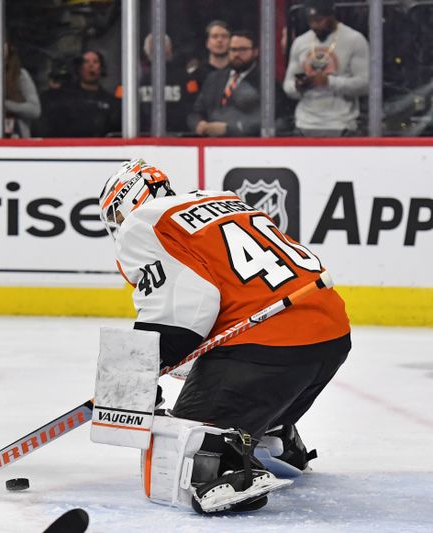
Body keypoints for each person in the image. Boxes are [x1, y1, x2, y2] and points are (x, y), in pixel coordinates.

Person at [98, 159, 351, 514]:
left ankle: (230, 466)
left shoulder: (145, 222)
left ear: (129, 201)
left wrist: (135, 374)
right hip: (330, 337)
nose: (119, 228)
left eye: (117, 218)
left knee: (180, 455)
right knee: (237, 382)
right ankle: (274, 435)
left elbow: (185, 312)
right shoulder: (225, 200)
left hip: (268, 346)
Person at [283, 0, 369, 136]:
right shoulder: (300, 42)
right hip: (304, 124)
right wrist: (299, 86)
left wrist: (329, 82)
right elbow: (287, 86)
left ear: (331, 16)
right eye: (310, 20)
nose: (314, 25)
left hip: (341, 124)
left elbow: (365, 84)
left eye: (319, 20)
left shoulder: (354, 40)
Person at [187, 30, 261, 137]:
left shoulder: (266, 82)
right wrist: (198, 124)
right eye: (233, 50)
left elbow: (271, 121)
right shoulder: (214, 78)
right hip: (210, 145)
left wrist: (229, 129)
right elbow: (196, 112)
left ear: (255, 51)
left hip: (245, 147)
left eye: (243, 49)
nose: (237, 54)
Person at [139, 32, 193, 134]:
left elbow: (191, 105)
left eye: (162, 46)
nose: (158, 50)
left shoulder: (183, 77)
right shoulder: (135, 78)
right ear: (146, 50)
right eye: (153, 46)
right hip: (142, 136)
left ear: (170, 49)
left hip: (178, 135)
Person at [186, 20, 231, 98]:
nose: (219, 40)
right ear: (207, 43)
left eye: (224, 36)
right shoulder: (195, 76)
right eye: (215, 36)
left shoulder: (238, 73)